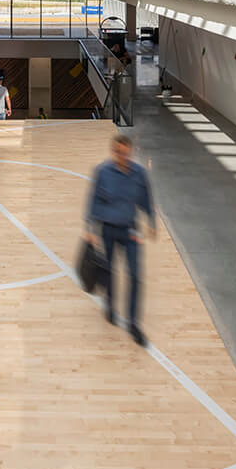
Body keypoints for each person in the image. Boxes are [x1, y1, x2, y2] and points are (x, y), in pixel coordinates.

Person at [84, 132, 156, 345]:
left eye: (125, 153)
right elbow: (94, 200)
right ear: (113, 152)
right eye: (117, 152)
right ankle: (110, 305)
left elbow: (146, 199)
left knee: (135, 275)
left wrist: (151, 221)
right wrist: (90, 228)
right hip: (108, 230)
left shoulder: (139, 173)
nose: (121, 156)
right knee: (109, 272)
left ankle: (134, 323)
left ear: (130, 152)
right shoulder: (102, 172)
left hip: (130, 231)